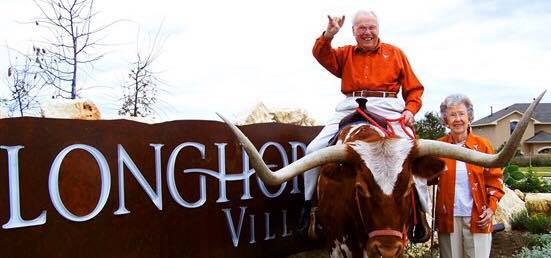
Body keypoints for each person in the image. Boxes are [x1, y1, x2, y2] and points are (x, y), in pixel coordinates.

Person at [300, 10, 426, 234]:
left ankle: (419, 214)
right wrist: (328, 35)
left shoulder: (395, 54)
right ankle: (309, 207)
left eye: (371, 28)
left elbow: (414, 89)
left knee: (412, 153)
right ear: (353, 31)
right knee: (313, 150)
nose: (367, 32)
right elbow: (320, 54)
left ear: (378, 29)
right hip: (350, 105)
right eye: (362, 28)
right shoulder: (345, 53)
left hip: (387, 106)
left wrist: (410, 109)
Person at [434, 94, 504, 258]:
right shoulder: (438, 146)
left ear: (469, 117)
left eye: (461, 114)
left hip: (478, 217)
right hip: (448, 218)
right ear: (446, 120)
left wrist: (491, 208)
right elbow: (427, 177)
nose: (457, 119)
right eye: (452, 115)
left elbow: (495, 180)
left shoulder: (483, 145)